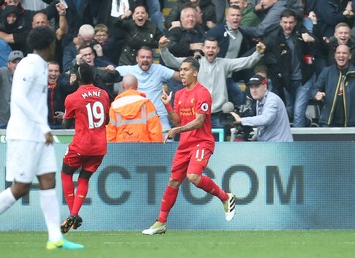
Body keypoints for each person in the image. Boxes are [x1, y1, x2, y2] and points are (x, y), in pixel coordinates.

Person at [0, 26, 83, 250]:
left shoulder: (42, 66)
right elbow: (18, 98)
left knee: (49, 180)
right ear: (49, 44)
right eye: (54, 42)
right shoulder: (28, 66)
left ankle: (54, 237)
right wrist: (43, 127)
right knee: (20, 188)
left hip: (39, 137)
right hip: (24, 135)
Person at [142, 57, 236, 235]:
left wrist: (177, 130)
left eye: (185, 69)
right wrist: (168, 106)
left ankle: (225, 197)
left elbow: (199, 121)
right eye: (181, 70)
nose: (182, 73)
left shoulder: (203, 93)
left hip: (202, 142)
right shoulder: (179, 94)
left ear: (195, 72)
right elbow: (177, 120)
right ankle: (160, 222)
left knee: (193, 175)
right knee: (174, 181)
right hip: (185, 144)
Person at [159, 36, 265, 134]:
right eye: (208, 47)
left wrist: (257, 54)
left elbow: (245, 62)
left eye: (213, 48)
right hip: (198, 115)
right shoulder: (195, 64)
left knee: (219, 147)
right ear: (203, 49)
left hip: (218, 115)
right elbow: (171, 61)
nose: (210, 50)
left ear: (218, 50)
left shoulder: (224, 63)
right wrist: (163, 49)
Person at [57, 63, 110, 234]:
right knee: (84, 179)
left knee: (66, 173)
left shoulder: (72, 98)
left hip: (81, 144)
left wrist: (63, 116)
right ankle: (73, 215)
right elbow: (106, 121)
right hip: (100, 146)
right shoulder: (104, 94)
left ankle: (73, 214)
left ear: (77, 77)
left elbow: (66, 124)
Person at [114, 46, 181, 132]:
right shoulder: (129, 69)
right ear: (137, 59)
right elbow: (109, 71)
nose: (145, 59)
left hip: (159, 115)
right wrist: (110, 69)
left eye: (148, 57)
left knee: (167, 141)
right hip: (138, 117)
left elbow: (179, 76)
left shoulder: (159, 69)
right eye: (142, 57)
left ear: (152, 59)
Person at [230, 74, 293, 141]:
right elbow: (262, 128)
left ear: (265, 87)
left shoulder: (272, 100)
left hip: (280, 146)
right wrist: (254, 138)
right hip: (270, 145)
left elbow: (265, 119)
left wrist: (241, 120)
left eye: (256, 87)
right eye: (251, 87)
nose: (253, 91)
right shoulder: (260, 100)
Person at [313, 44, 355, 127]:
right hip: (329, 121)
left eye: (344, 53)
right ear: (335, 56)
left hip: (352, 122)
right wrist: (316, 94)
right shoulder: (327, 71)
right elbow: (314, 89)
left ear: (350, 56)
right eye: (338, 53)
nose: (341, 55)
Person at [107, 74, 163, 142]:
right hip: (144, 149)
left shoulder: (114, 106)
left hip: (121, 149)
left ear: (122, 85)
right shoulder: (146, 104)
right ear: (137, 85)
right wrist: (157, 150)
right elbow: (155, 130)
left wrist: (111, 151)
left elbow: (110, 133)